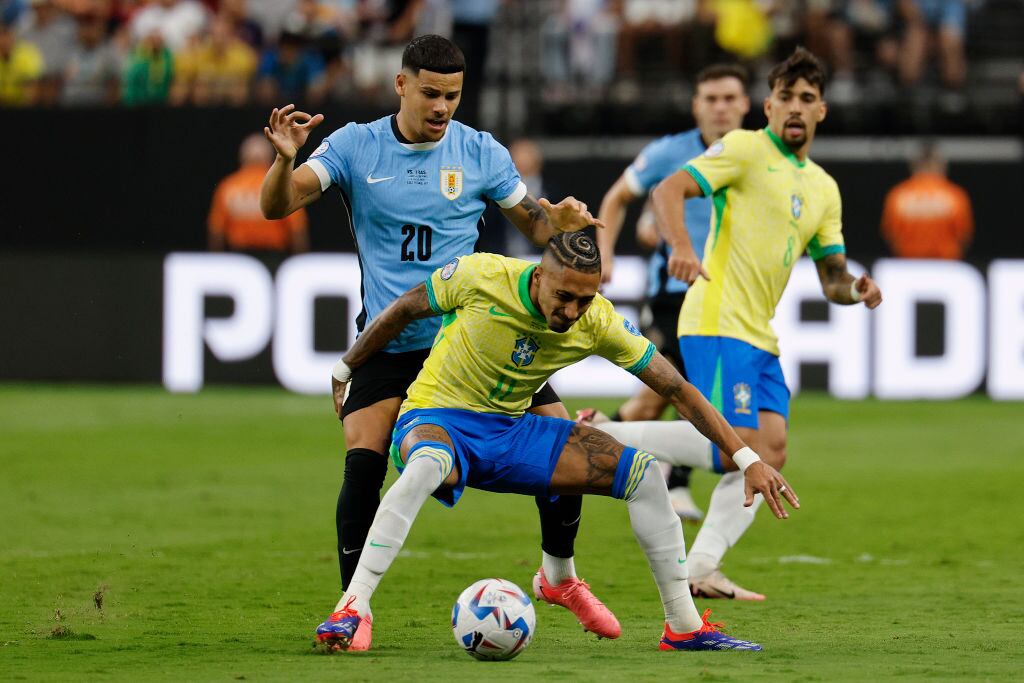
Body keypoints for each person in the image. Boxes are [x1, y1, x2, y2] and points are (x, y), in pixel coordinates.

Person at [259, 34, 611, 652]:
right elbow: (277, 206)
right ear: (401, 85)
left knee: (564, 449)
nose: (442, 106)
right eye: (430, 93)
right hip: (392, 340)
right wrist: (286, 159)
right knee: (364, 459)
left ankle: (560, 576)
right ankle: (351, 610)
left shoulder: (480, 151)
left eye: (452, 94)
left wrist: (556, 221)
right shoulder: (353, 146)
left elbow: (531, 224)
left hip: (477, 341)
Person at [316, 233, 798, 652]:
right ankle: (353, 608)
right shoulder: (481, 275)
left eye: (584, 300)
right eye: (564, 296)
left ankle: (683, 627)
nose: (571, 312)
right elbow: (403, 308)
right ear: (539, 276)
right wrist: (345, 367)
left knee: (647, 474)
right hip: (438, 419)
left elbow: (676, 388)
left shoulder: (596, 321)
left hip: (513, 430)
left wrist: (746, 457)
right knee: (424, 466)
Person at [594, 47, 882, 602]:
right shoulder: (746, 149)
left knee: (769, 452)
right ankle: (601, 434)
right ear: (768, 106)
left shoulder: (823, 187)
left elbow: (832, 277)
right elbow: (667, 189)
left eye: (808, 99)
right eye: (787, 98)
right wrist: (680, 245)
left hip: (759, 333)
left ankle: (701, 567)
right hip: (717, 318)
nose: (796, 108)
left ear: (821, 110)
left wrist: (856, 290)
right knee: (736, 449)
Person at [595, 63, 750, 523]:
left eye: (729, 99)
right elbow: (616, 197)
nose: (721, 108)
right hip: (671, 297)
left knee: (688, 395)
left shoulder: (756, 156)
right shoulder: (669, 153)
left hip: (726, 299)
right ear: (696, 106)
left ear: (745, 105)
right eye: (712, 99)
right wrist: (605, 251)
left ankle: (604, 440)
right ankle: (597, 443)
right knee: (662, 395)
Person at [209, 134, 309, 253]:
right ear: (270, 158)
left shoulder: (228, 186)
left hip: (239, 258)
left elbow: (216, 230)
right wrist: (299, 259)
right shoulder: (281, 185)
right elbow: (297, 229)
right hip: (273, 257)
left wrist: (217, 261)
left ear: (243, 158)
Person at [881, 142, 973, 260]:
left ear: (914, 165)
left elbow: (890, 236)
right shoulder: (954, 195)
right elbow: (964, 237)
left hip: (908, 267)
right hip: (946, 267)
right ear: (940, 164)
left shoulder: (898, 195)